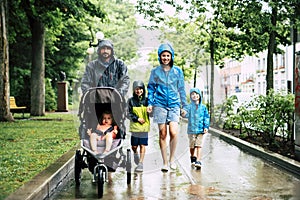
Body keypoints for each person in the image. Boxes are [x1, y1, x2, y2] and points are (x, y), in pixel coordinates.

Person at [147, 43, 188, 172]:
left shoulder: (177, 71)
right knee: (163, 133)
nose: (165, 58)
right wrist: (150, 103)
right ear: (160, 57)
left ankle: (172, 159)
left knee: (174, 132)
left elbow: (181, 89)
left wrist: (184, 106)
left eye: (168, 55)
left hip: (174, 104)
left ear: (171, 56)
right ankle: (165, 162)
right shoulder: (155, 72)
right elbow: (151, 89)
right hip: (159, 105)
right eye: (163, 56)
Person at [182, 88, 210, 169]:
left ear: (199, 96)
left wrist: (206, 126)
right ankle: (192, 156)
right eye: (192, 94)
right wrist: (183, 113)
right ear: (190, 96)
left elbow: (206, 117)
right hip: (191, 130)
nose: (195, 96)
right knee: (192, 146)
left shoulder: (203, 107)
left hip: (200, 130)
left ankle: (198, 160)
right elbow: (186, 114)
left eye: (196, 94)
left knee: (199, 145)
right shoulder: (189, 107)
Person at [127, 80, 150, 172]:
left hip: (144, 127)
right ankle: (135, 153)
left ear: (143, 90)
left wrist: (150, 111)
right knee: (134, 146)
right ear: (133, 90)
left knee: (142, 145)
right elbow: (128, 113)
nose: (139, 91)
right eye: (136, 89)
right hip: (135, 128)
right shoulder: (130, 101)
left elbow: (152, 113)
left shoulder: (147, 101)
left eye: (140, 89)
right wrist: (137, 118)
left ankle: (140, 163)